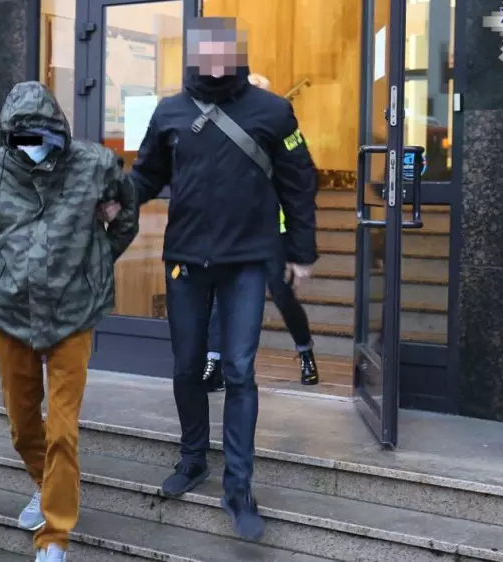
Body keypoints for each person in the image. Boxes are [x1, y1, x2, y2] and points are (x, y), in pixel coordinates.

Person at [128, 18, 318, 540]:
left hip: (248, 262)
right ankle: (193, 459)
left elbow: (299, 180)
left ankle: (239, 488)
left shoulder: (273, 111)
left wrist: (301, 252)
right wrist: (112, 202)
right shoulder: (169, 111)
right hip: (186, 261)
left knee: (238, 370)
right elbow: (146, 174)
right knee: (187, 367)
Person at [0, 81, 139, 562]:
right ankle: (47, 486)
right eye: (23, 135)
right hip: (12, 313)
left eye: (41, 133)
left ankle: (54, 535)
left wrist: (95, 262)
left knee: (62, 429)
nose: (34, 143)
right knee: (23, 426)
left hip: (73, 313)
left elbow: (126, 215)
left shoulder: (96, 164)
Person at [203, 72, 320, 390]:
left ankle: (305, 351)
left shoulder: (276, 130)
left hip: (272, 233)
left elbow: (300, 182)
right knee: (221, 297)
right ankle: (214, 362)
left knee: (282, 295)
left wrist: (300, 247)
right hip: (231, 233)